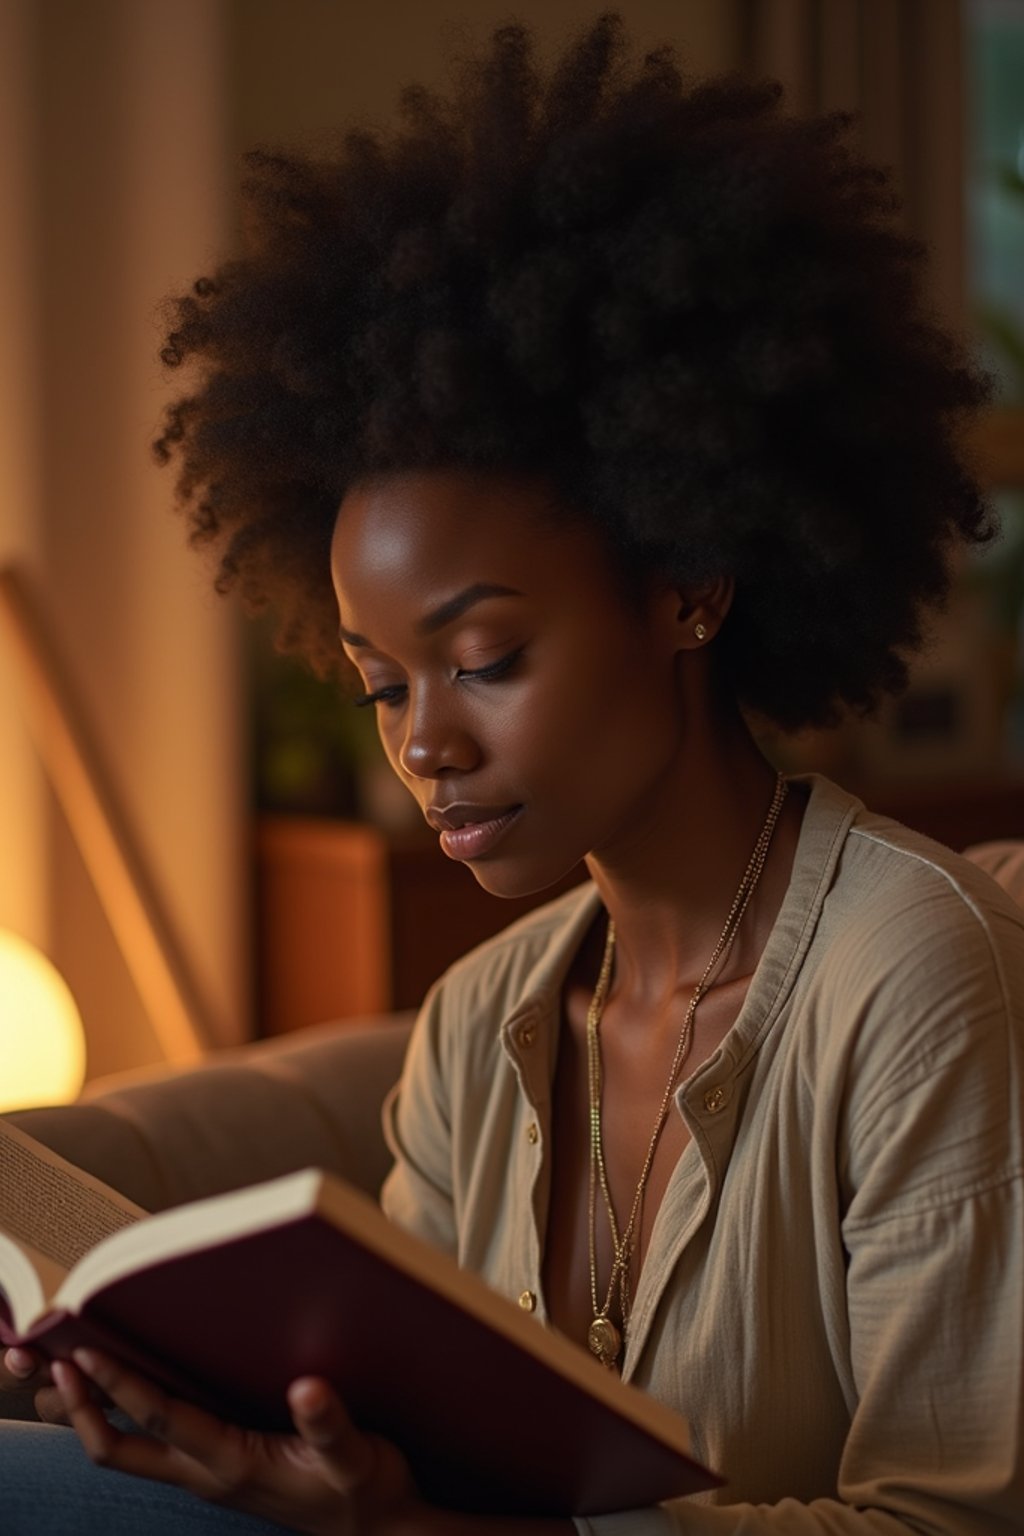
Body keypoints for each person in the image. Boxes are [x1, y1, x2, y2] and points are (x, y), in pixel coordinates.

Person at [2, 13, 1022, 1533]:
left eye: (484, 660)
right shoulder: (480, 1029)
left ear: (691, 584)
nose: (424, 744)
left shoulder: (918, 975)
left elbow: (948, 1525)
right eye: (381, 683)